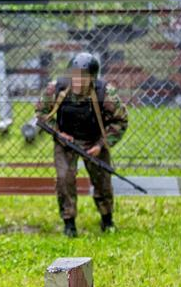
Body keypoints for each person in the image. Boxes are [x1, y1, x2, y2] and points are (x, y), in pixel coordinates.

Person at [35, 52, 128, 237]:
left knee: (102, 179)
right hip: (66, 141)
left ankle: (107, 219)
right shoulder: (57, 89)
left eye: (83, 77)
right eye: (74, 75)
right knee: (64, 179)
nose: (77, 81)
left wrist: (102, 144)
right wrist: (59, 134)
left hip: (94, 140)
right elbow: (41, 114)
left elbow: (120, 121)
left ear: (92, 78)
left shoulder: (105, 93)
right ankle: (69, 223)